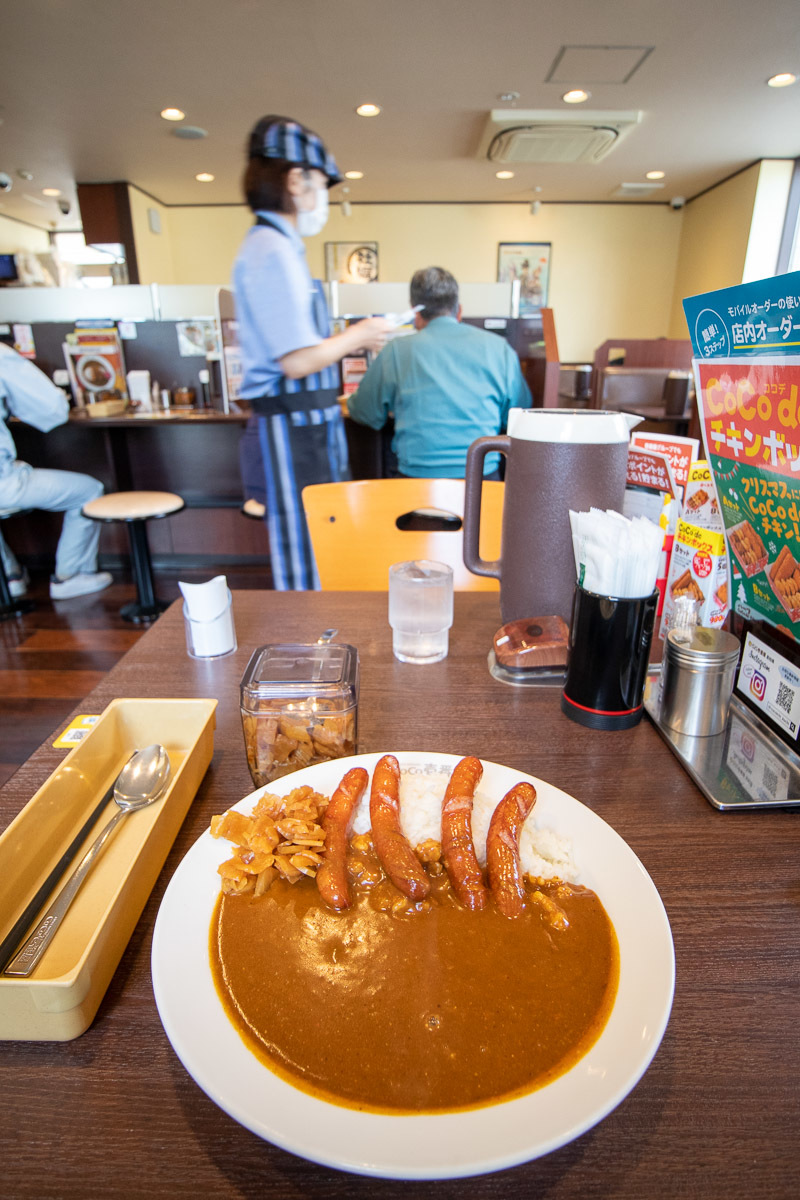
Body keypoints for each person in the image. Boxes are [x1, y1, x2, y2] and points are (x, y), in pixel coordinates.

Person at [233, 114, 392, 590]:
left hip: (308, 427)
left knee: (323, 546)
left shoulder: (280, 248)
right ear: (296, 178)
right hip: (292, 429)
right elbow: (297, 360)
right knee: (305, 558)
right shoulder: (270, 250)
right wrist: (361, 333)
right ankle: (311, 655)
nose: (323, 196)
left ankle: (323, 649)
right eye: (322, 184)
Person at [346, 266, 531, 478]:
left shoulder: (396, 350)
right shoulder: (500, 349)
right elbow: (518, 414)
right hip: (482, 483)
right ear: (459, 310)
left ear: (415, 313)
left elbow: (365, 412)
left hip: (417, 484)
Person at [0, 343, 112, 599]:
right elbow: (53, 410)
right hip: (4, 483)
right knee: (89, 491)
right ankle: (69, 576)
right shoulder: (1, 356)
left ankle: (10, 575)